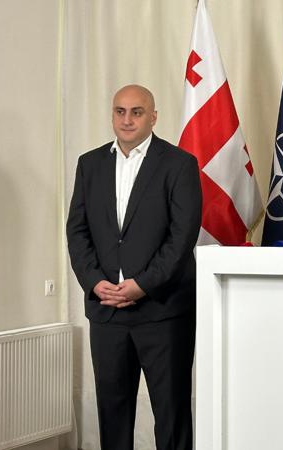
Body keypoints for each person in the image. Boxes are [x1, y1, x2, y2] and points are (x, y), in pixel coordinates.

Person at [66, 85, 202, 450]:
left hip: (162, 312)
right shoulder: (89, 164)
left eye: (137, 112)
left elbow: (181, 238)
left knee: (171, 414)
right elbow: (77, 231)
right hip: (106, 310)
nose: (127, 120)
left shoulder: (179, 164)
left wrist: (142, 284)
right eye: (120, 111)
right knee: (112, 414)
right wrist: (94, 282)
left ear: (153, 117)